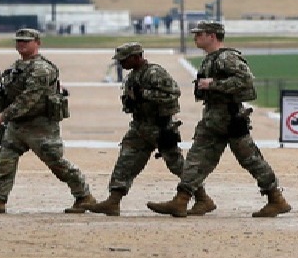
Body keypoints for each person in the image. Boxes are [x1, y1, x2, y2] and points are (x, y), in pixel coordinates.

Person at [147, 22, 291, 219]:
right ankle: (183, 200)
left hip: (230, 119)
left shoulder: (226, 57)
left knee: (250, 159)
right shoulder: (211, 59)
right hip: (214, 118)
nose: (195, 38)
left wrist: (213, 84)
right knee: (197, 158)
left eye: (200, 34)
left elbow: (246, 80)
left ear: (212, 36)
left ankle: (276, 199)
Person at [0, 28, 95, 215]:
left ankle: (84, 197)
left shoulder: (42, 69)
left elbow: (29, 99)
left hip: (40, 125)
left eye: (26, 41)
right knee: (5, 161)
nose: (21, 44)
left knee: (57, 163)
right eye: (19, 41)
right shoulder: (17, 67)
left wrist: (3, 116)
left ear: (37, 43)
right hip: (17, 125)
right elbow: (7, 91)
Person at [86, 43, 209, 217]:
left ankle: (202, 198)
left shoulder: (154, 72)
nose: (121, 63)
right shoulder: (133, 76)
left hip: (161, 126)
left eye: (124, 59)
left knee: (176, 164)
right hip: (140, 127)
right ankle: (113, 201)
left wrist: (143, 94)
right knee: (126, 161)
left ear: (136, 57)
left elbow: (173, 93)